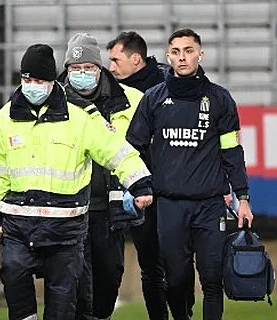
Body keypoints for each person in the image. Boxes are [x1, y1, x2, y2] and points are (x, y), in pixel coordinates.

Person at [0, 44, 153, 320]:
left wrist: (139, 184)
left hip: (65, 229)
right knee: (15, 283)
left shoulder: (81, 117)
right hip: (18, 225)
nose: (32, 86)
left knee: (63, 306)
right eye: (27, 80)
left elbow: (116, 152)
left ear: (52, 82)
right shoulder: (4, 119)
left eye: (38, 81)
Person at [126, 28, 253, 320]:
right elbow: (134, 146)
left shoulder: (220, 99)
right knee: (176, 279)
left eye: (188, 50)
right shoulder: (154, 99)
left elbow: (231, 152)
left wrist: (243, 198)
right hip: (169, 205)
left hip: (211, 205)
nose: (182, 57)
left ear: (200, 54)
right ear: (168, 56)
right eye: (176, 52)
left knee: (211, 280)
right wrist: (143, 185)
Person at [56, 32, 156, 320]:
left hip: (109, 212)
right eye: (75, 69)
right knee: (72, 286)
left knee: (108, 279)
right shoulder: (54, 104)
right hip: (70, 210)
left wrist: (139, 185)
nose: (81, 74)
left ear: (98, 69)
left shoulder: (132, 101)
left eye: (87, 68)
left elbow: (148, 150)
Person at [105, 31, 171, 320]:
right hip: (138, 189)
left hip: (171, 189)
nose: (111, 68)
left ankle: (182, 312)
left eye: (115, 60)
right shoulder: (109, 92)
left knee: (177, 264)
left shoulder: (169, 86)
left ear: (136, 59)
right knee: (149, 266)